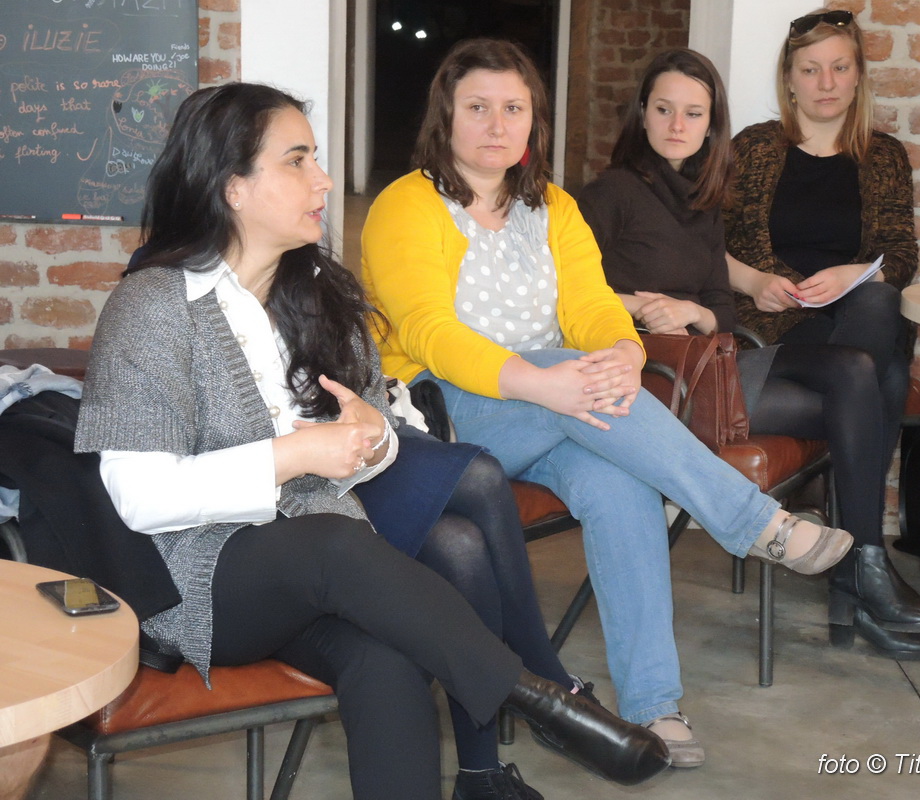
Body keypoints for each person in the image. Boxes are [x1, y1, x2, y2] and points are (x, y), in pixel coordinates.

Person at [72, 82, 671, 800]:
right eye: (297, 161)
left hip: (329, 564)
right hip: (202, 579)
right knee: (332, 541)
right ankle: (533, 695)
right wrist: (297, 456)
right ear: (233, 186)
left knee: (387, 659)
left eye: (316, 159)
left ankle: (515, 706)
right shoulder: (153, 306)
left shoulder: (314, 291)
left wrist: (371, 437)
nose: (323, 180)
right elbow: (139, 496)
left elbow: (375, 438)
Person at [360, 37, 854, 770]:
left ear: (535, 121)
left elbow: (591, 306)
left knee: (620, 483)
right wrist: (545, 380)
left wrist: (624, 352)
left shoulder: (552, 207)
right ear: (445, 116)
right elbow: (428, 332)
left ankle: (654, 703)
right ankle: (754, 521)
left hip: (555, 408)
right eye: (477, 108)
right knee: (570, 370)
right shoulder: (405, 205)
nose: (497, 125)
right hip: (446, 414)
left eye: (513, 108)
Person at [579, 43, 920, 665]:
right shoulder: (611, 192)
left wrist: (694, 312)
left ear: (710, 125)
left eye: (693, 114)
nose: (677, 125)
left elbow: (721, 308)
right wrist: (638, 306)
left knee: (860, 372)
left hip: (713, 360)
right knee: (868, 396)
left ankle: (859, 566)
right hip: (656, 378)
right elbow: (562, 292)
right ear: (642, 114)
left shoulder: (701, 198)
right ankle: (861, 575)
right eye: (664, 109)